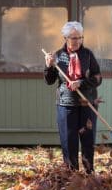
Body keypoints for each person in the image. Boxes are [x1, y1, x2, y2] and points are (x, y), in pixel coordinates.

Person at [44, 21, 102, 174]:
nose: (77, 41)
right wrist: (49, 66)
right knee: (69, 142)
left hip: (87, 103)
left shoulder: (88, 55)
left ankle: (89, 173)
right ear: (65, 38)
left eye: (80, 37)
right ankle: (71, 175)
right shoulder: (57, 56)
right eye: (73, 38)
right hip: (66, 104)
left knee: (88, 140)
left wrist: (81, 82)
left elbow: (98, 78)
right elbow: (49, 81)